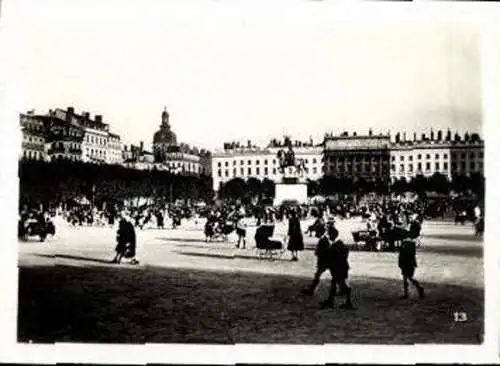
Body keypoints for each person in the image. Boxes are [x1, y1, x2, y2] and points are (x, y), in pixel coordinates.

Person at [302, 223, 354, 309]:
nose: (329, 236)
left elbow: (329, 255)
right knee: (336, 283)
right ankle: (332, 300)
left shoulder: (335, 246)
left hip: (338, 268)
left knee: (343, 284)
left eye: (330, 235)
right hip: (342, 267)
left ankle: (346, 302)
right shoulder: (341, 244)